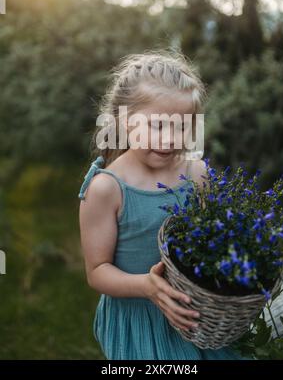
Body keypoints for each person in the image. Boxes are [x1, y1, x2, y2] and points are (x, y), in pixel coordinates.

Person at [78, 51, 245, 360]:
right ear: (125, 122)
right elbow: (97, 271)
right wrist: (148, 287)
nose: (170, 139)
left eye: (181, 127)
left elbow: (212, 238)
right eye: (157, 126)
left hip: (196, 315)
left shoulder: (198, 173)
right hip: (140, 321)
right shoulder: (107, 188)